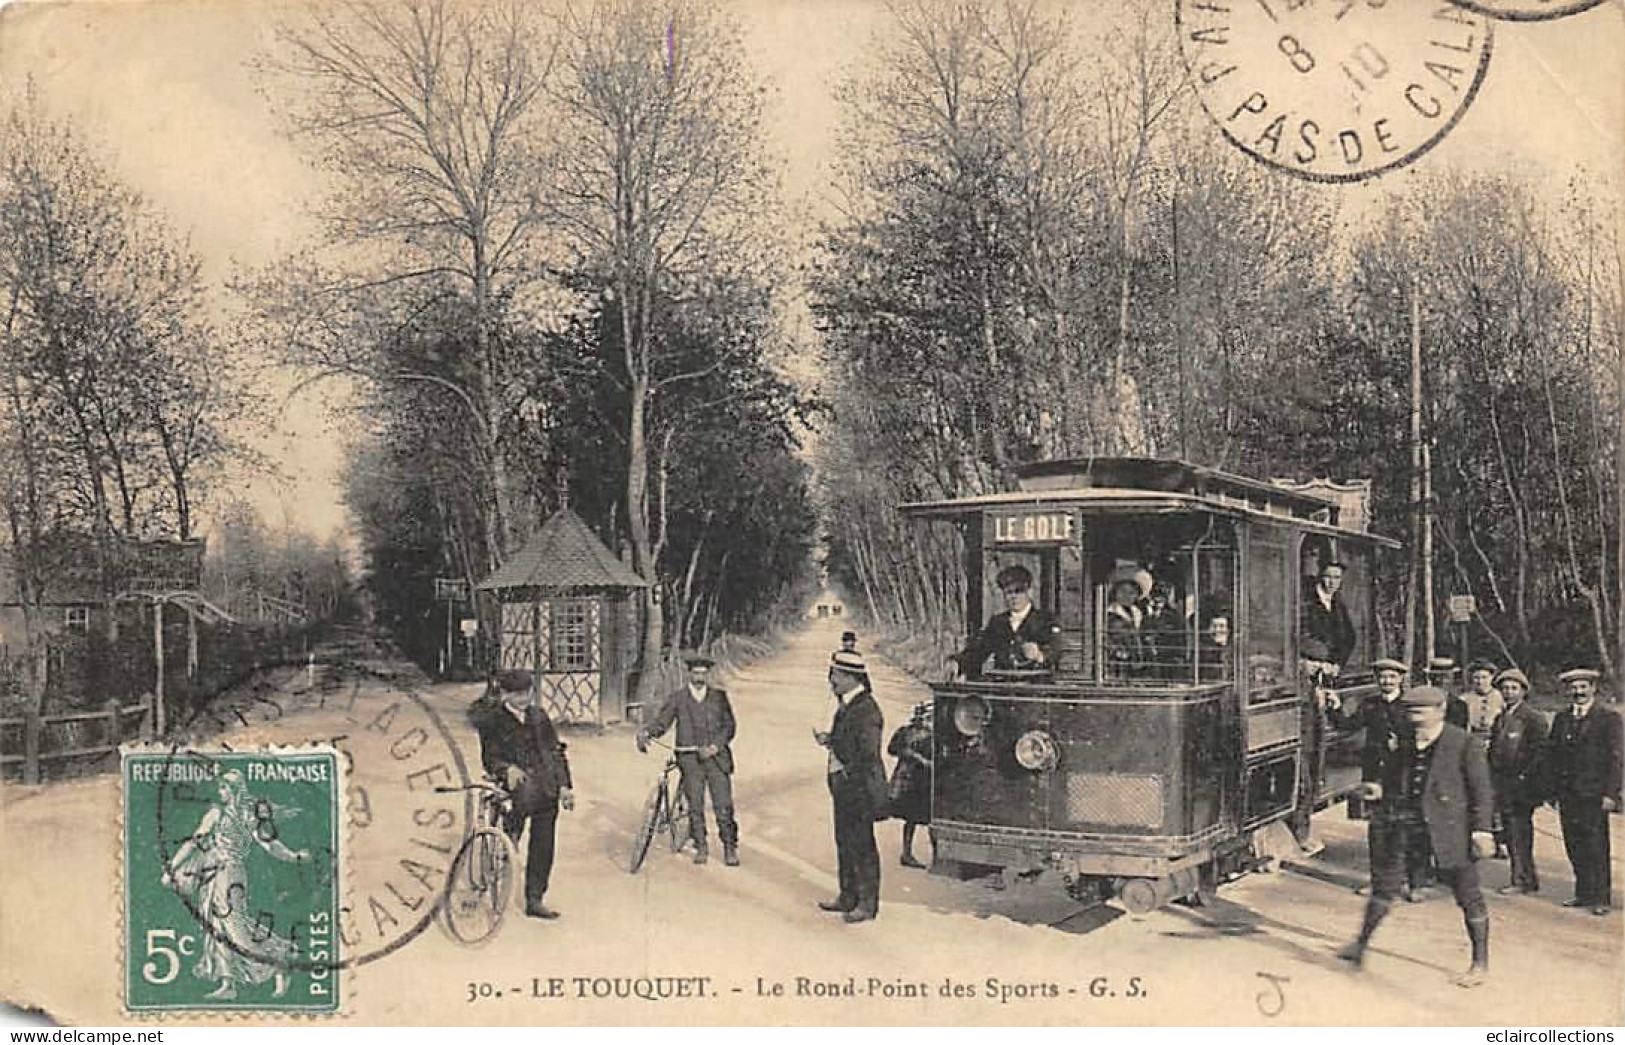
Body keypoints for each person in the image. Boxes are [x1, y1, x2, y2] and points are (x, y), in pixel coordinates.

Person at [1337, 685, 1495, 989]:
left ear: (1440, 711)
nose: (1413, 717)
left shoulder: (1464, 744)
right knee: (1384, 887)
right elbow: (1396, 780)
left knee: (1467, 895)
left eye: (1419, 711)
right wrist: (1379, 790)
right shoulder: (1406, 741)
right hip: (1405, 824)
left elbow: (1482, 791)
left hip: (1450, 829)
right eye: (1410, 711)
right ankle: (1359, 946)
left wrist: (1482, 829)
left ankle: (1479, 963)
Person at [160, 769, 306, 999]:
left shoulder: (237, 816)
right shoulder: (222, 814)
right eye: (220, 788)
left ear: (236, 790)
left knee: (236, 930)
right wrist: (173, 867)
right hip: (217, 874)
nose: (221, 792)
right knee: (218, 928)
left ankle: (281, 958)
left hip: (230, 874)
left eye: (225, 787)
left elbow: (269, 844)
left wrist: (293, 856)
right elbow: (195, 842)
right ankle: (228, 985)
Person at [471, 669, 575, 919]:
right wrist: (506, 768)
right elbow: (490, 757)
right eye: (517, 695)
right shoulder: (493, 720)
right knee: (513, 827)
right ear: (504, 694)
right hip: (514, 787)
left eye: (527, 693)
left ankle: (535, 899)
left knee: (544, 844)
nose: (524, 699)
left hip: (545, 788)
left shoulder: (539, 716)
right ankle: (502, 863)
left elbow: (555, 752)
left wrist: (565, 786)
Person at [637, 655, 740, 867]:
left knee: (723, 805)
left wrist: (715, 747)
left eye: (703, 673)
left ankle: (729, 847)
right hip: (689, 758)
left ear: (707, 674)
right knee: (695, 804)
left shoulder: (719, 697)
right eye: (695, 672)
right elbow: (663, 722)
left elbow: (729, 727)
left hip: (716, 759)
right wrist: (648, 732)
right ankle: (701, 846)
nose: (699, 676)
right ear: (689, 674)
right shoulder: (678, 698)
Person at [1327, 658, 1417, 899]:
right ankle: (1379, 883)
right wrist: (1335, 707)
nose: (1387, 681)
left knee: (1404, 830)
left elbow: (1423, 738)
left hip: (1403, 776)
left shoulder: (1410, 705)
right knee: (1377, 831)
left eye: (1392, 677)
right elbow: (1348, 725)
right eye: (1383, 677)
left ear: (1401, 679)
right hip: (1375, 776)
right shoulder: (1370, 704)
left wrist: (1403, 745)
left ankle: (1410, 882)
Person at [815, 650, 887, 923]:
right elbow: (848, 740)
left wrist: (844, 770)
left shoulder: (867, 709)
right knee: (844, 841)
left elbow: (868, 754)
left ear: (851, 677)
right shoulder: (848, 705)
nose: (831, 680)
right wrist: (830, 739)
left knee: (862, 845)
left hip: (859, 788)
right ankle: (848, 897)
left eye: (836, 675)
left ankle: (867, 905)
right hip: (845, 788)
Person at [1543, 667, 1622, 916]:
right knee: (1573, 844)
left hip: (1594, 794)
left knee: (1596, 845)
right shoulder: (1561, 718)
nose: (1578, 692)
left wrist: (1611, 793)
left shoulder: (1608, 718)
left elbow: (1617, 759)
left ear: (1593, 688)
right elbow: (1552, 757)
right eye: (1573, 688)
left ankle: (1601, 898)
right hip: (1568, 794)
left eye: (1583, 687)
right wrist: (1552, 791)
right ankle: (1583, 893)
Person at [1488, 667, 1548, 896]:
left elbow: (1540, 754)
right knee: (1511, 833)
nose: (1509, 692)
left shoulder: (1533, 718)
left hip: (1522, 787)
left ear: (1523, 691)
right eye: (1505, 688)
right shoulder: (1502, 717)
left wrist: (1525, 778)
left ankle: (1522, 879)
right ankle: (1523, 877)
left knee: (1519, 833)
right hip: (1503, 785)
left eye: (1514, 688)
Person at [954, 564, 1060, 677]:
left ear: (1029, 592)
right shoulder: (998, 623)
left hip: (1036, 686)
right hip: (1002, 685)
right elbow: (978, 651)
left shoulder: (1046, 620)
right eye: (1008, 592)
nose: (1014, 597)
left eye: (1018, 591)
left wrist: (1040, 655)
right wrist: (957, 663)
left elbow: (1057, 649)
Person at [886, 702, 933, 870]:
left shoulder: (934, 735)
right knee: (912, 817)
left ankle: (936, 855)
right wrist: (915, 757)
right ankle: (907, 853)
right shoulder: (906, 732)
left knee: (929, 818)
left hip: (924, 778)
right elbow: (891, 749)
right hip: (909, 778)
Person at [1300, 561, 1356, 679]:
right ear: (1320, 577)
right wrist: (1322, 658)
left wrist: (1338, 663)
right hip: (1310, 666)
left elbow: (1349, 637)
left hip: (1331, 668)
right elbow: (1301, 634)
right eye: (1328, 577)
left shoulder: (1338, 603)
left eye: (1337, 577)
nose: (1332, 582)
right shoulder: (1306, 601)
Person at [1103, 564, 1153, 679]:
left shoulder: (1138, 613)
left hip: (1135, 658)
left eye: (1131, 593)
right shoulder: (1109, 613)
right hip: (1116, 659)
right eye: (1123, 591)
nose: (1127, 596)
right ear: (1115, 593)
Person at [1462, 660, 1506, 745]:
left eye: (1484, 677)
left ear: (1492, 677)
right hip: (1471, 740)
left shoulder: (1500, 697)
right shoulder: (1464, 699)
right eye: (1476, 678)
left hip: (1496, 741)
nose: (1480, 681)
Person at [1428, 656, 1471, 728]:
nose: (1441, 681)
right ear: (1430, 678)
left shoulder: (1460, 706)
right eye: (1437, 677)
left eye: (1446, 677)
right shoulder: (1422, 702)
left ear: (1452, 679)